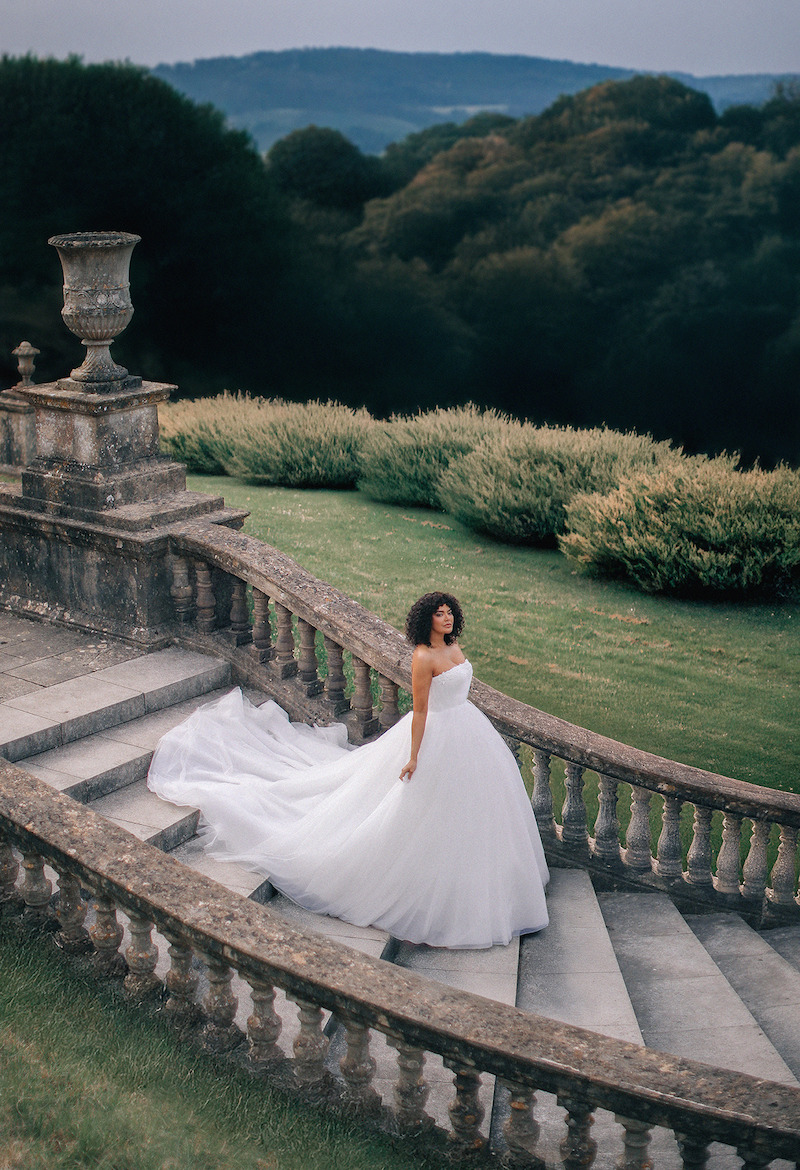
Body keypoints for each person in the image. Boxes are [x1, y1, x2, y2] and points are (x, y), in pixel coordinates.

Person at [147, 591, 549, 949]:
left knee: (476, 810)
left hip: (470, 730)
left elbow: (460, 687)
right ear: (427, 620)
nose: (446, 619)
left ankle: (485, 886)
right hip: (438, 733)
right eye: (439, 614)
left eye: (449, 613)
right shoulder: (423, 657)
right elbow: (422, 711)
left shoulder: (455, 648)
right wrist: (413, 756)